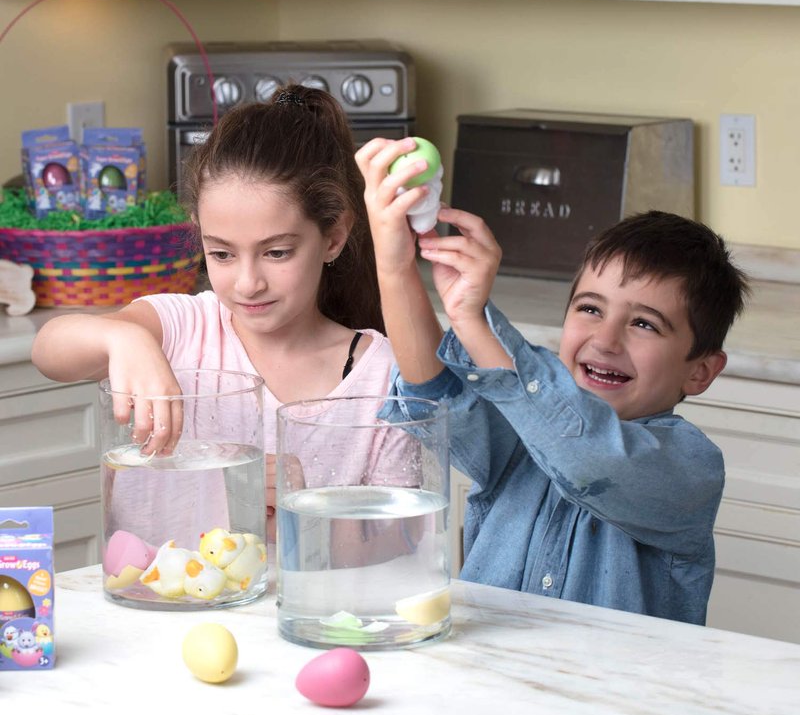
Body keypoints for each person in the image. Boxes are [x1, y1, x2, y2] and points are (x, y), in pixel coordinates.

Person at [356, 136, 751, 625]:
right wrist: (395, 266)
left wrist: (475, 323)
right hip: (492, 674)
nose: (605, 339)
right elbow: (434, 392)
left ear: (700, 370)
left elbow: (589, 457)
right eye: (590, 309)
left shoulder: (690, 469)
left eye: (644, 324)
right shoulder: (520, 432)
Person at [31, 87, 395, 547]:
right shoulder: (182, 328)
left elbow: (396, 549)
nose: (247, 283)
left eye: (277, 252)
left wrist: (307, 514)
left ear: (333, 237)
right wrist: (123, 338)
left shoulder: (379, 376)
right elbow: (49, 351)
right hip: (145, 593)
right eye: (222, 254)